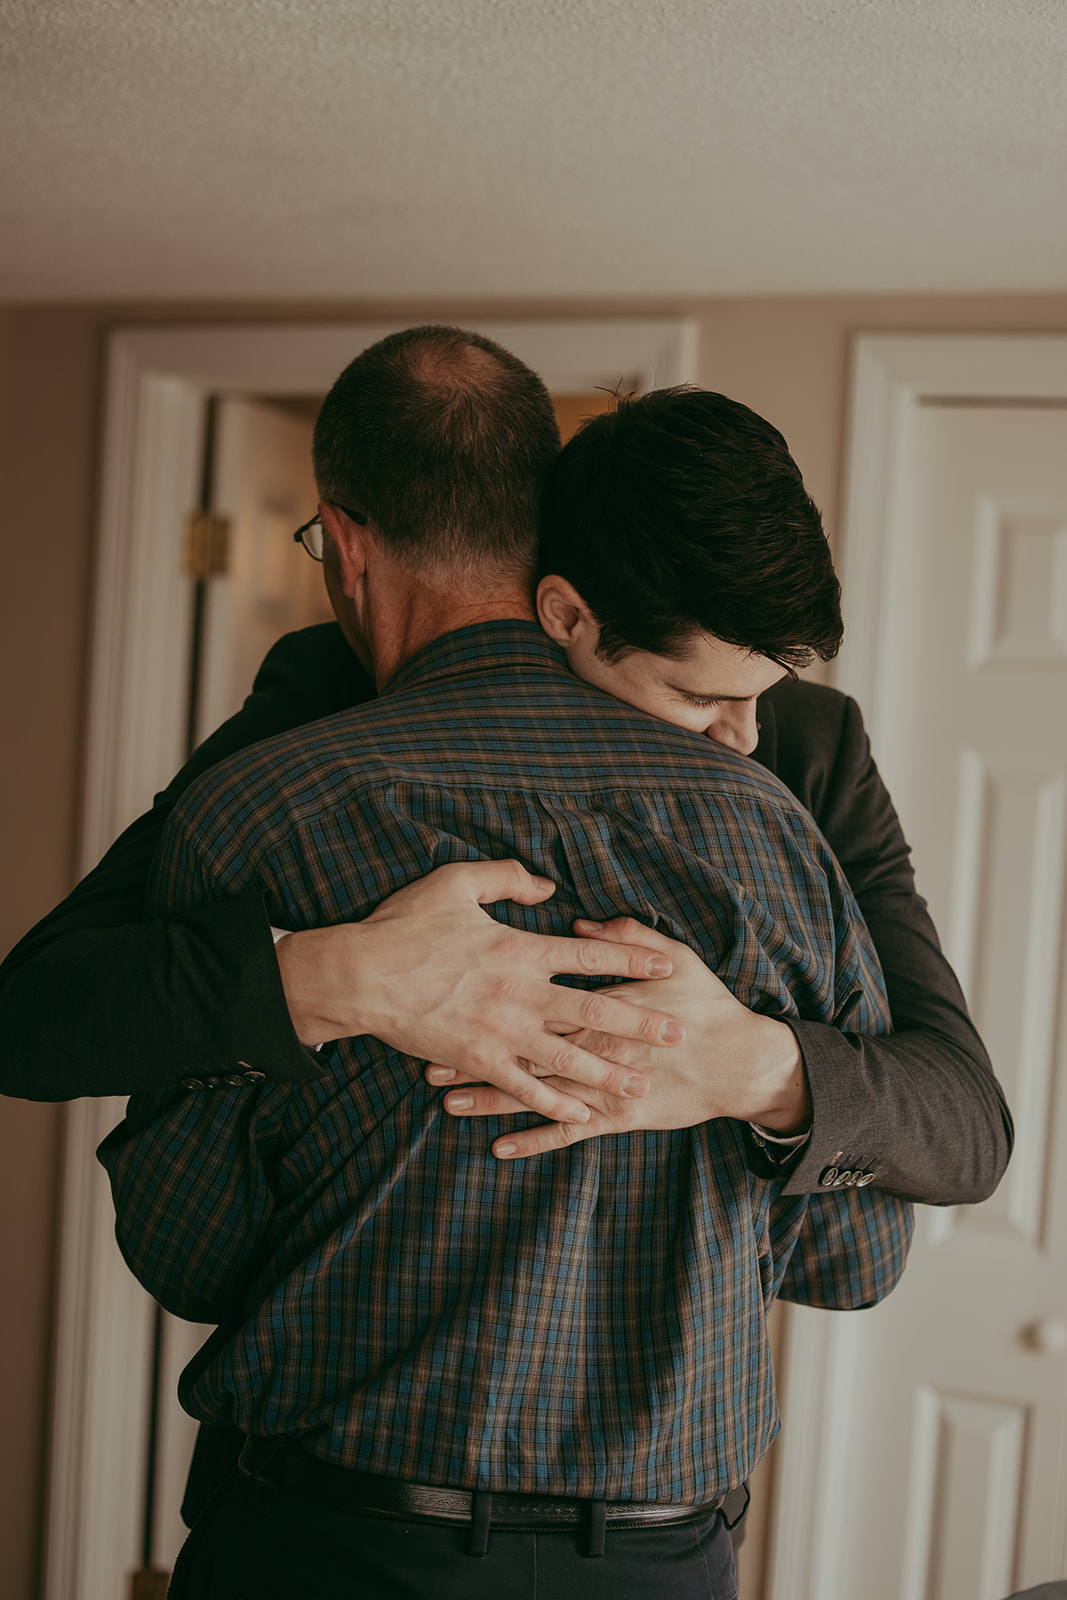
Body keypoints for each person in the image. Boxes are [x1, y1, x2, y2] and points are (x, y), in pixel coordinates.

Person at [99, 328, 911, 1598]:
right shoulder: (773, 843)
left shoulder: (263, 811)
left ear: (346, 544)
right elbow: (852, 1260)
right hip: (657, 1557)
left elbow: (186, 1252)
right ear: (557, 588)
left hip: (330, 1542)